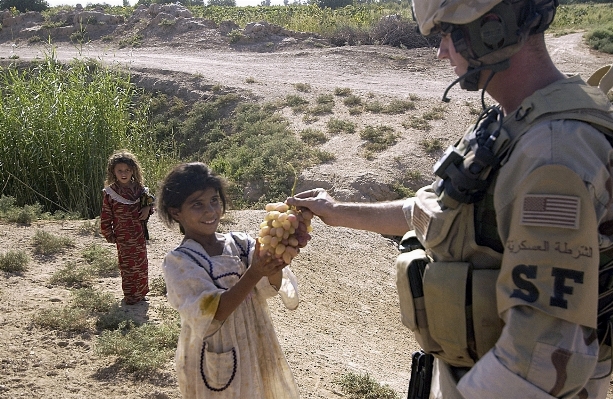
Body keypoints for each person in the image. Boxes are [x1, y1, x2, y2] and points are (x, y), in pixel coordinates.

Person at [287, 0, 613, 398]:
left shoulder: (551, 152)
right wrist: (335, 211)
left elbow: (540, 359)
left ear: (490, 29)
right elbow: (431, 213)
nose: (441, 52)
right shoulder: (514, 123)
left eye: (445, 34)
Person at [157, 162, 300, 399]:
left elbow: (268, 288)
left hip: (253, 342)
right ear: (175, 212)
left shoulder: (241, 243)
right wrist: (254, 272)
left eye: (214, 200)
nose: (210, 211)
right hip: (211, 355)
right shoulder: (180, 262)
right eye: (197, 204)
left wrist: (275, 264)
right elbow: (213, 313)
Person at [100, 150, 154, 305]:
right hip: (123, 236)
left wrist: (147, 209)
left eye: (127, 170)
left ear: (133, 171)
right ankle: (131, 296)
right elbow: (106, 215)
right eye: (120, 171)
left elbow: (148, 204)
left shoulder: (139, 189)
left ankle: (142, 293)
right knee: (128, 265)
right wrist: (108, 233)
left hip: (138, 234)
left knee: (141, 263)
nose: (123, 174)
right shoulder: (111, 192)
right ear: (113, 172)